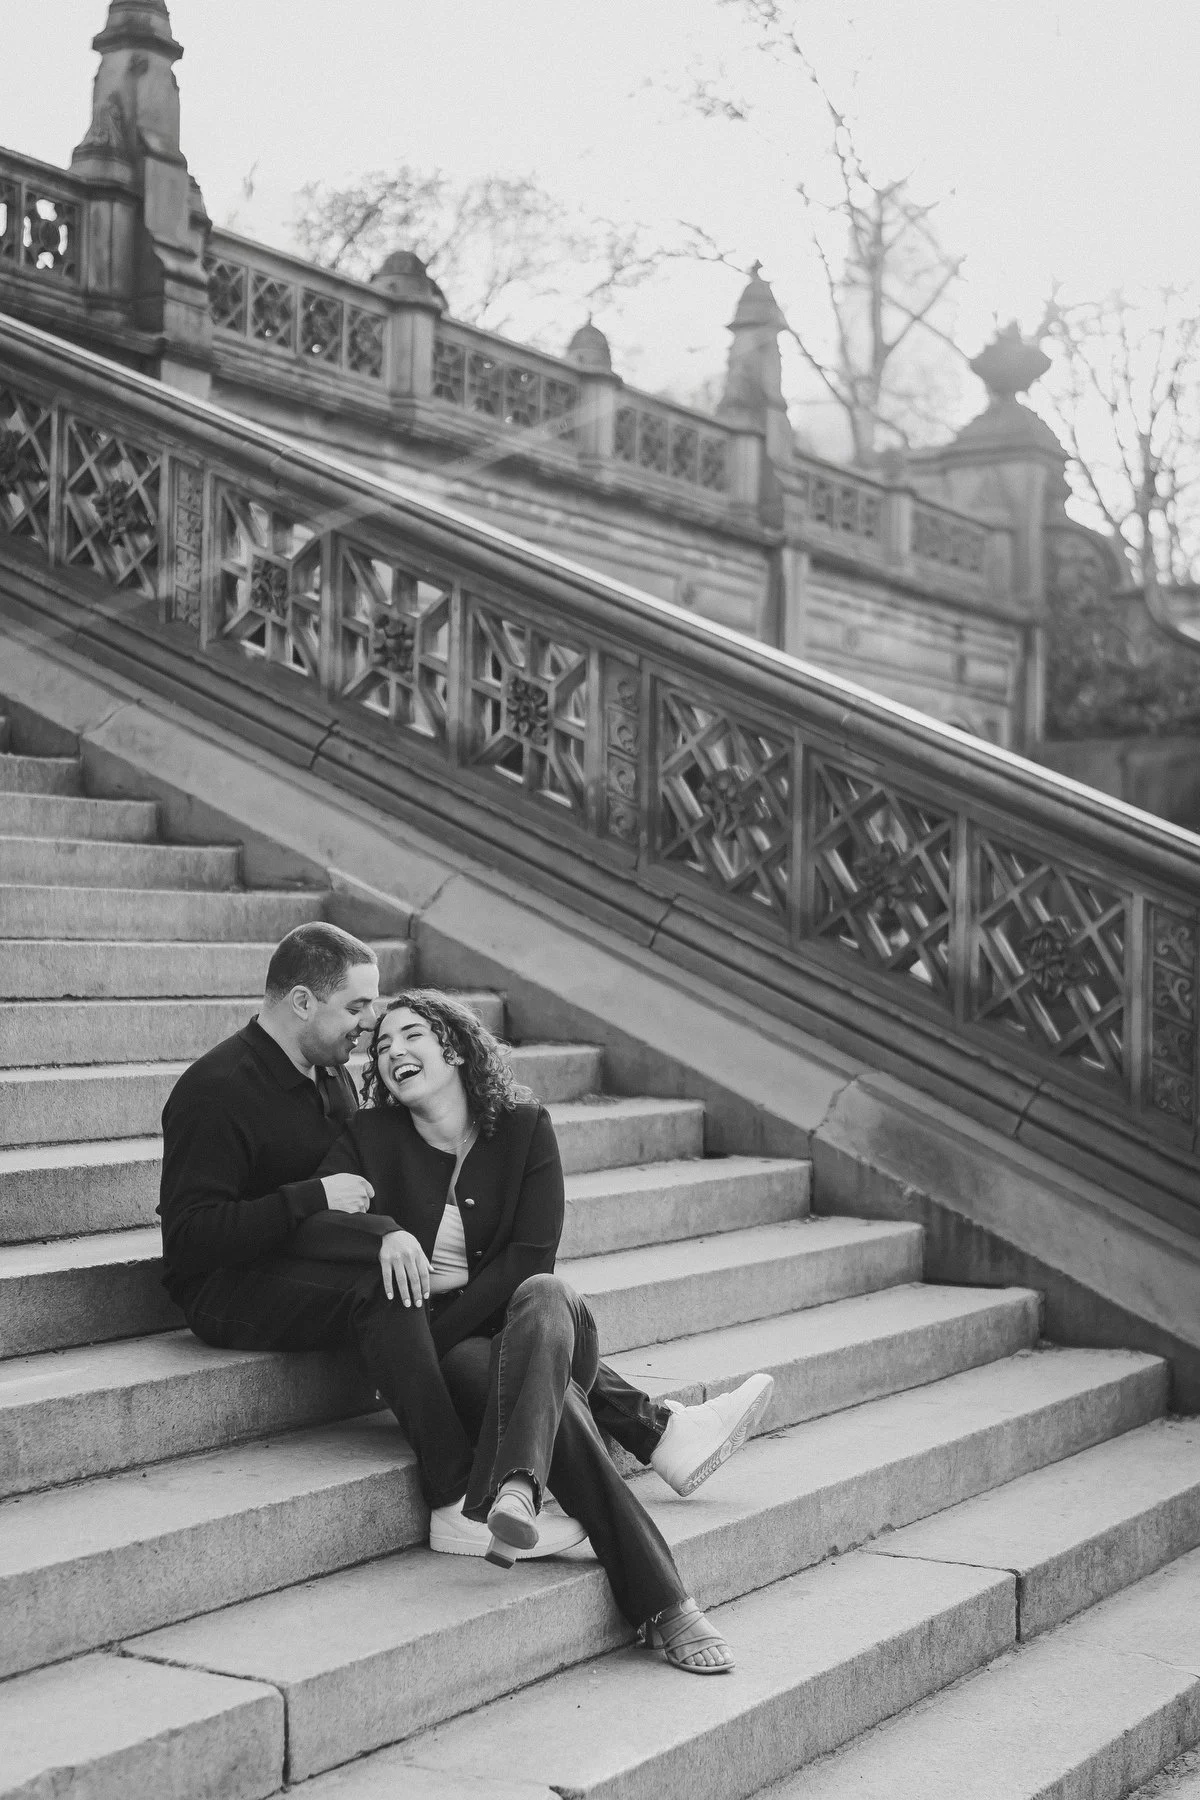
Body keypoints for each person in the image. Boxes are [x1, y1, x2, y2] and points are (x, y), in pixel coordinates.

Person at [157, 926, 772, 1663]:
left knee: (540, 1301)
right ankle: (614, 1562)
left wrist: (377, 1238)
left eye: (386, 1023)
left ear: (453, 1050)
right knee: (522, 1378)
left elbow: (511, 1258)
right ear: (300, 1001)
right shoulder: (218, 1089)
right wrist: (339, 1211)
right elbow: (197, 1240)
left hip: (449, 1307)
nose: (370, 1030)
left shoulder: (339, 1081)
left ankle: (578, 1466)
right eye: (360, 1012)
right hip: (235, 1286)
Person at [300, 988, 738, 1672]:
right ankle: (666, 1603)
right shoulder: (370, 1139)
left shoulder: (526, 1128)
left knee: (546, 1290)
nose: (392, 1053)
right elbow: (316, 1223)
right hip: (463, 1364)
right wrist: (383, 1234)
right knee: (556, 1404)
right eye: (380, 1047)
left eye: (411, 1034)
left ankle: (518, 1484)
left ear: (453, 1046)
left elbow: (530, 1260)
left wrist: (464, 1337)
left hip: (544, 1327)